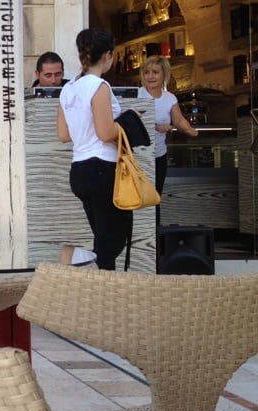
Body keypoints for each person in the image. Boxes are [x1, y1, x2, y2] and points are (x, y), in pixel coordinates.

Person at [57, 28, 131, 271]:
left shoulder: (68, 89)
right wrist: (129, 123)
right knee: (113, 242)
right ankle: (73, 258)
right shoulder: (100, 86)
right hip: (102, 168)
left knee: (105, 238)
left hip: (79, 170)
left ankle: (98, 289)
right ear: (108, 55)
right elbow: (105, 133)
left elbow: (64, 135)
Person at [138, 55, 197, 194]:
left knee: (155, 197)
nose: (150, 76)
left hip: (159, 155)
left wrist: (188, 129)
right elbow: (130, 121)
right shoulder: (136, 95)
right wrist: (156, 127)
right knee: (138, 199)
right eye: (146, 72)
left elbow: (178, 120)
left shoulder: (170, 98)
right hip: (138, 156)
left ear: (165, 74)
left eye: (155, 72)